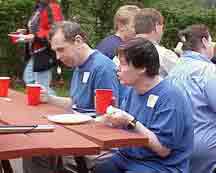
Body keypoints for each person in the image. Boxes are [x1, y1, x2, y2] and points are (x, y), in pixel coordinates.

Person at [23, 21, 120, 173]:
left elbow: (111, 115)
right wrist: (49, 98)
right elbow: (76, 104)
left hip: (96, 144)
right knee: (31, 145)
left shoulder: (102, 68)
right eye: (55, 51)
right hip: (78, 134)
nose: (58, 56)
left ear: (78, 41)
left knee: (36, 149)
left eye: (61, 50)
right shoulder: (78, 66)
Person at [94, 37, 193, 173]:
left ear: (142, 67)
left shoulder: (170, 97)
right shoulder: (131, 90)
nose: (117, 69)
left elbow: (162, 150)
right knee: (99, 168)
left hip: (160, 165)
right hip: (127, 158)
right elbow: (122, 127)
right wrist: (104, 120)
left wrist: (131, 121)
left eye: (122, 64)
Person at [168, 24, 216, 173]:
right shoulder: (208, 71)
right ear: (204, 41)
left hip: (176, 146)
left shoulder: (173, 71)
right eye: (211, 40)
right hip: (206, 150)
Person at [21, 0, 63, 94]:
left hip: (46, 51)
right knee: (29, 79)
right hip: (35, 51)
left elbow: (56, 30)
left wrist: (35, 37)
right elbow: (38, 28)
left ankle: (54, 105)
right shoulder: (39, 7)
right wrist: (26, 32)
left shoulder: (53, 6)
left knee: (42, 86)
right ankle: (41, 102)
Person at [134, 8, 179, 77]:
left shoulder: (120, 54)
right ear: (157, 26)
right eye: (162, 28)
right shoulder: (164, 55)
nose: (162, 32)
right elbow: (182, 78)